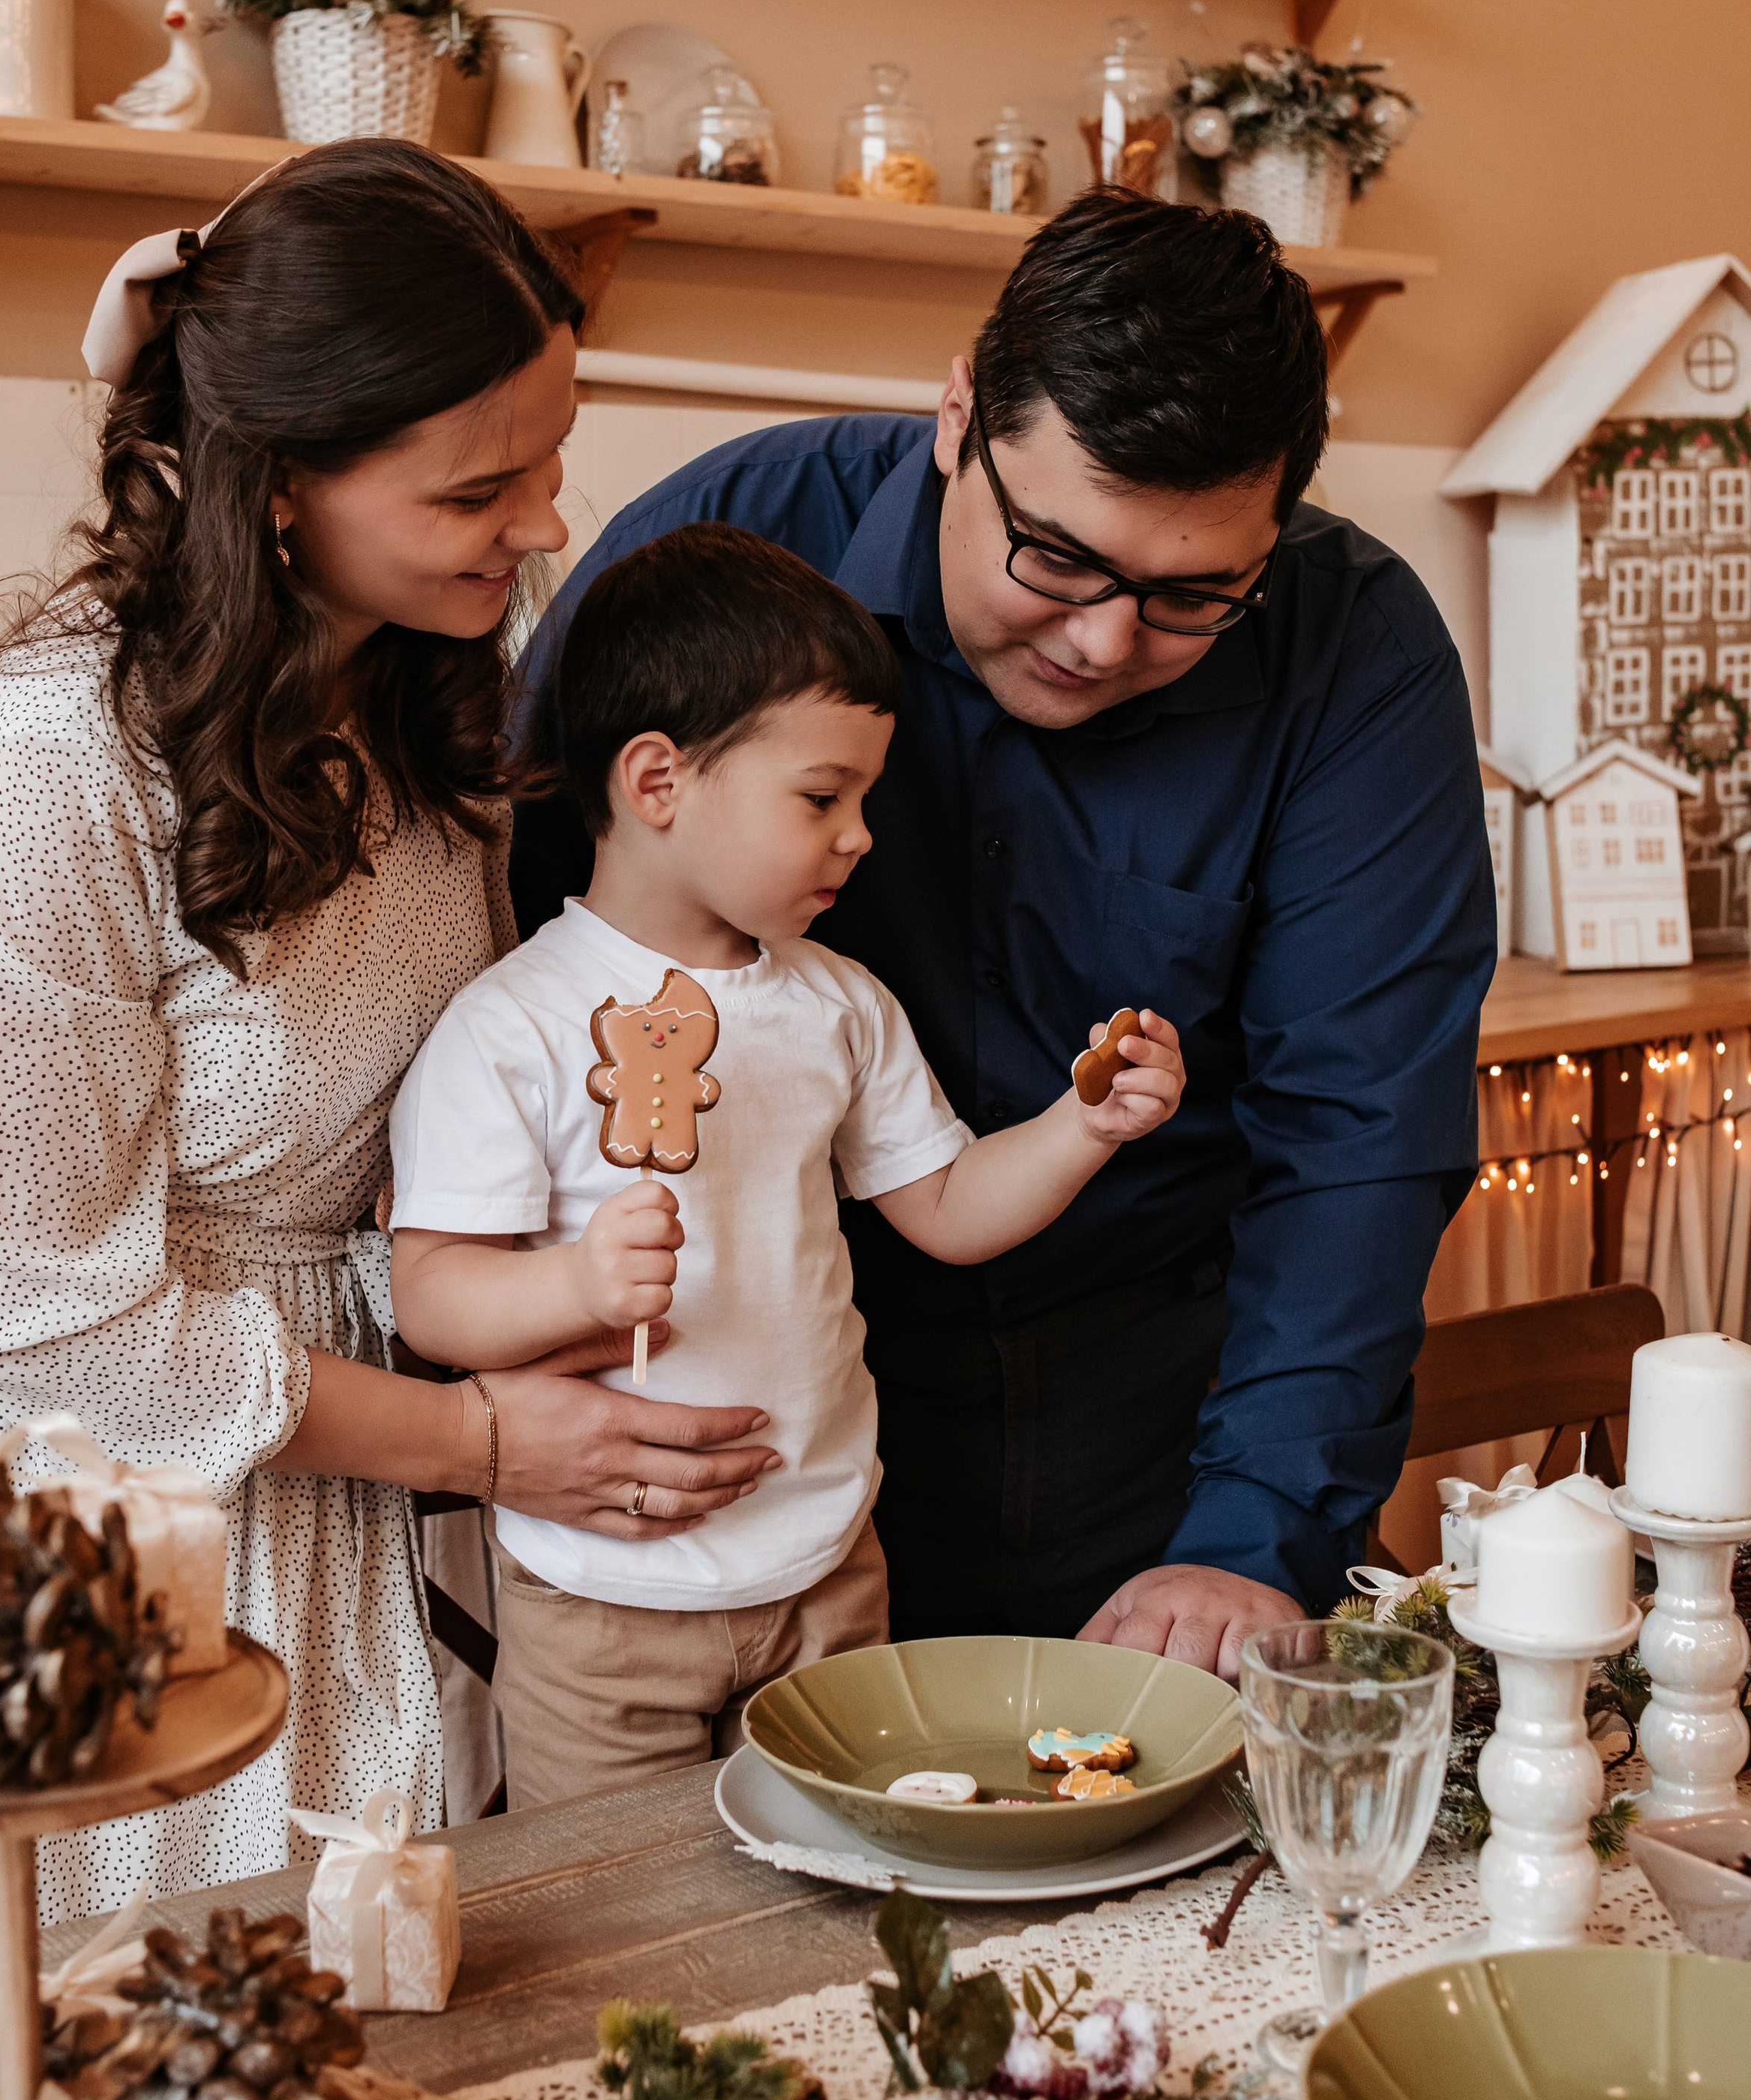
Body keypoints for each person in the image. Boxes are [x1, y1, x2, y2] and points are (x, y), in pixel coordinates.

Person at [0, 146, 780, 1974]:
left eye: (549, 457)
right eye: (476, 487)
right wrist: (486, 1439)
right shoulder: (52, 769)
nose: (538, 526)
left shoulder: (427, 698)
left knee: (338, 2032)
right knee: (66, 2054)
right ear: (276, 495)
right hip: (57, 1465)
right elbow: (44, 1311)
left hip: (339, 1423)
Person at [511, 190, 1498, 1676]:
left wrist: (1246, 1541)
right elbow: (515, 976)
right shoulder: (716, 556)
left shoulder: (1350, 646)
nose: (1103, 640)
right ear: (957, 413)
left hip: (1156, 1410)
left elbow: (1356, 1129)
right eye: (1053, 555)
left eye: (1188, 597)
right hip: (730, 1390)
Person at [386, 523, 1185, 1806]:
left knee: (828, 1882)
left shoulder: (839, 1005)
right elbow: (429, 1295)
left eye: (864, 798)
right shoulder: (514, 1025)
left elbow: (947, 1207)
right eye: (823, 798)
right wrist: (581, 1288)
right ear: (657, 782)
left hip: (828, 1568)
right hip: (606, 1603)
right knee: (619, 1938)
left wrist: (1081, 1129)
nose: (861, 836)